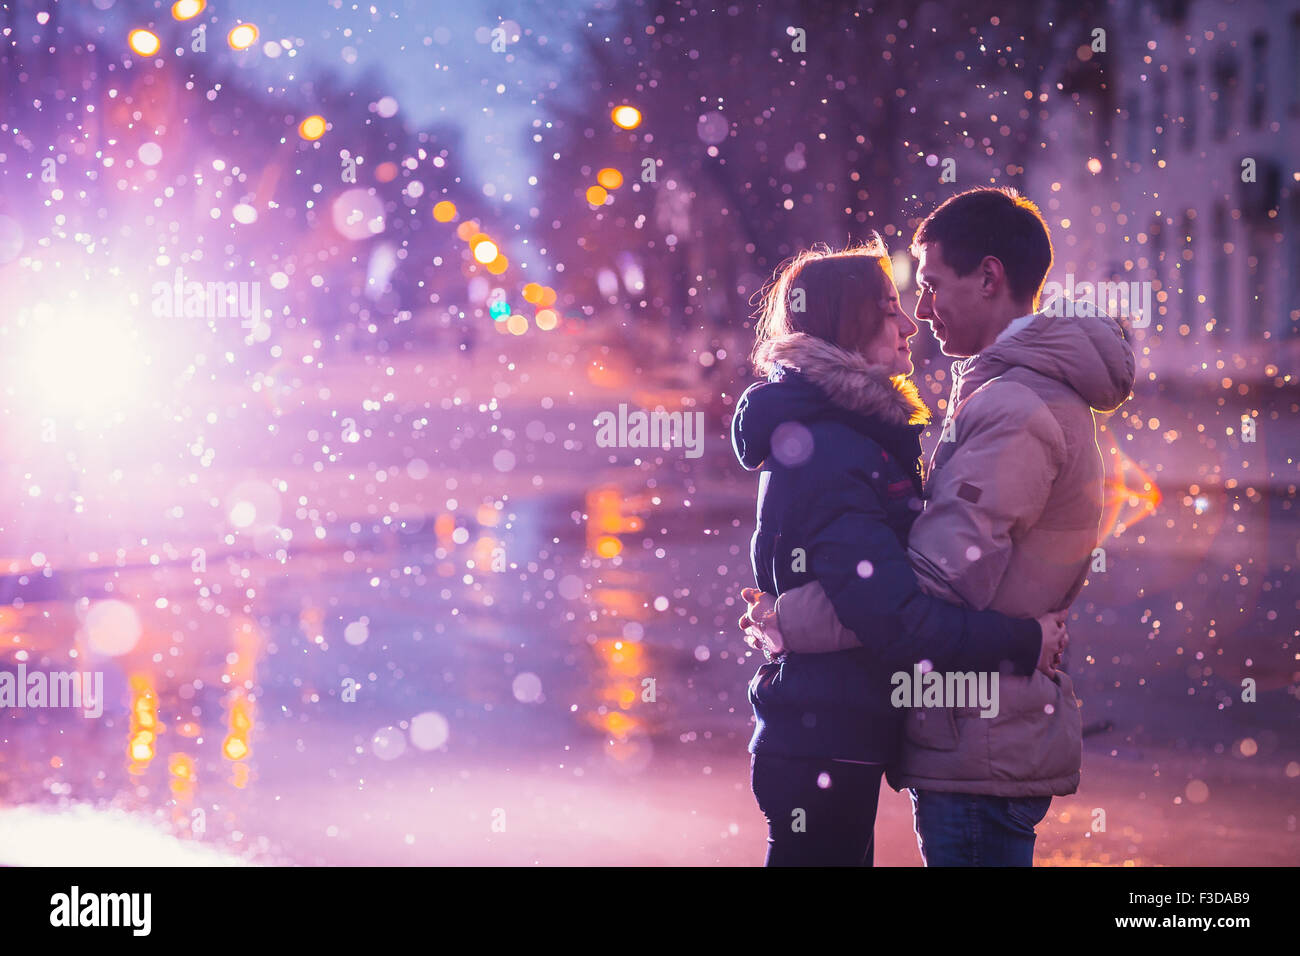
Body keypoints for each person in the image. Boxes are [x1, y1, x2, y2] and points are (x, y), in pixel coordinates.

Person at [742, 187, 1136, 867]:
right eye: (901, 300)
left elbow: (921, 594)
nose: (920, 314)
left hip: (981, 737)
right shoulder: (1003, 391)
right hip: (973, 725)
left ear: (989, 278)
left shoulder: (1013, 405)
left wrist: (789, 619)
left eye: (928, 287)